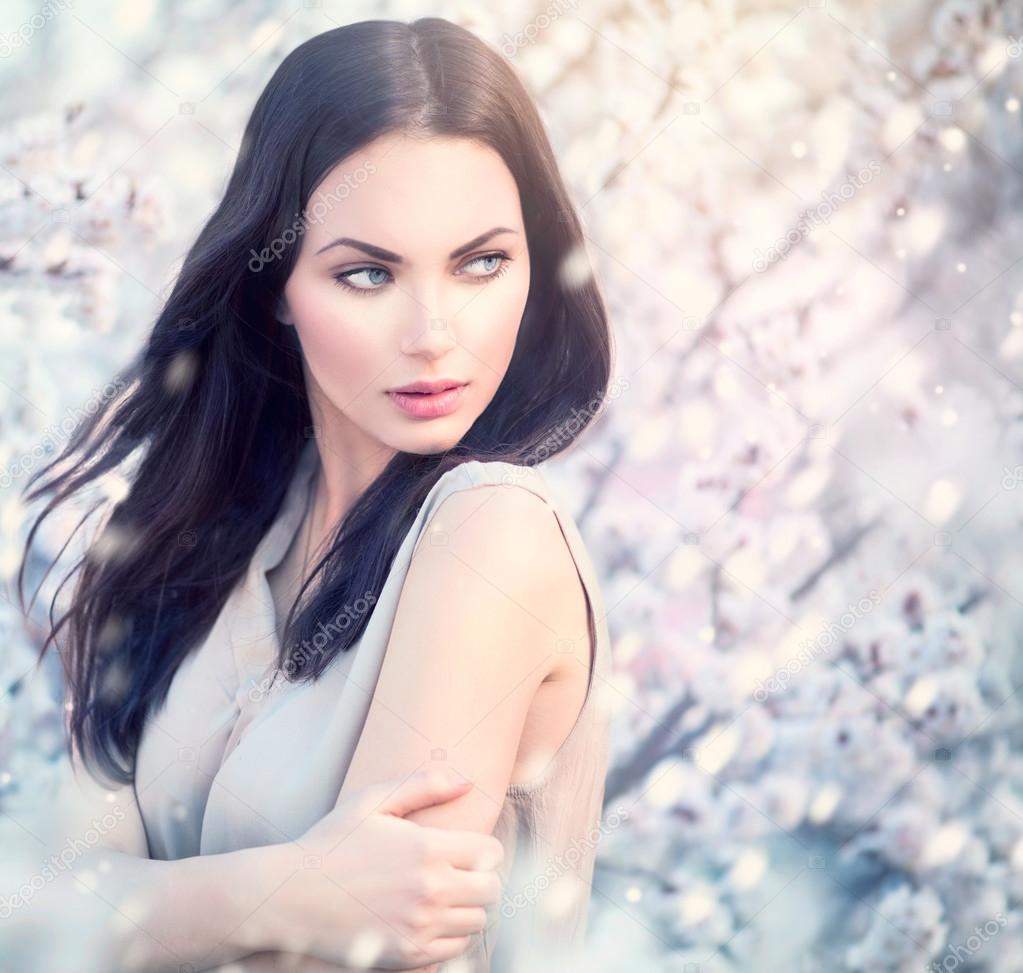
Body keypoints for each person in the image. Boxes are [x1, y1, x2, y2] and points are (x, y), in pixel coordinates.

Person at [17, 16, 614, 972]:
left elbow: (361, 955)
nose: (433, 332)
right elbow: (38, 922)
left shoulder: (492, 533)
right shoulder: (193, 538)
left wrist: (136, 910)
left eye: (481, 263)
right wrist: (290, 890)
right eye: (367, 273)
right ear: (274, 287)